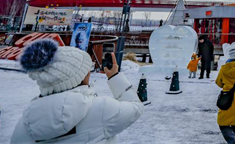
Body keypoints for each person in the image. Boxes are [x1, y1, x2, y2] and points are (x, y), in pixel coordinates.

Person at [11, 39, 144, 143]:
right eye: (88, 69)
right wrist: (115, 77)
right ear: (80, 76)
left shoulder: (23, 125)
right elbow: (135, 108)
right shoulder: (101, 110)